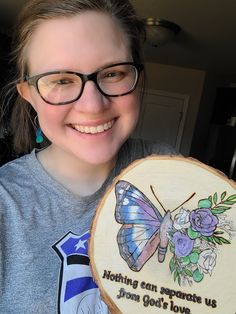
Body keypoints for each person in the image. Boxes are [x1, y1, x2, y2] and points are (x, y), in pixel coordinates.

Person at [0, 0, 176, 313]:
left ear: (139, 80)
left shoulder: (167, 167)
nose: (93, 105)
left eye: (113, 73)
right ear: (28, 95)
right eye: (61, 80)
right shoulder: (5, 204)